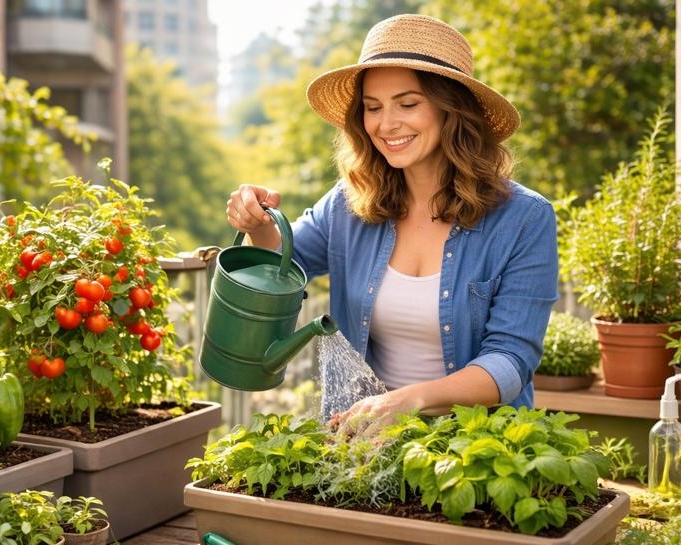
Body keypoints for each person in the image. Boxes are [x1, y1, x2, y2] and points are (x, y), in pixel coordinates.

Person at [225, 14, 558, 435]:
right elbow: (280, 267)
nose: (386, 124)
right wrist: (257, 223)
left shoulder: (524, 218)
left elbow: (510, 362)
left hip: (477, 448)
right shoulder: (348, 205)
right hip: (361, 442)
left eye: (408, 103)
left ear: (451, 108)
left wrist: (408, 400)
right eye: (373, 107)